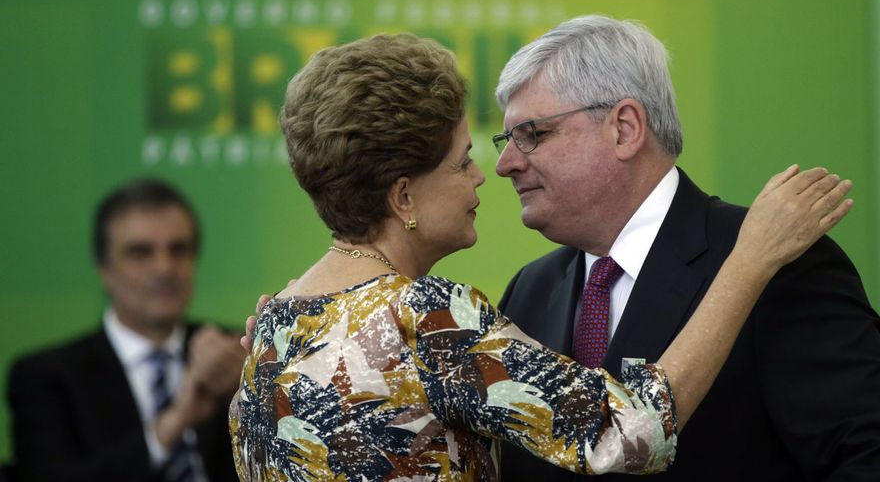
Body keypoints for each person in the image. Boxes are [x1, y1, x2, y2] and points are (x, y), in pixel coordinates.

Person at [228, 33, 851, 481]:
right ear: (403, 196)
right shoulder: (432, 317)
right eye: (462, 161)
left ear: (625, 128)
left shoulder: (276, 332)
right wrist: (748, 262)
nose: (490, 172)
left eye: (530, 135)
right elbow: (623, 432)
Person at [492, 15, 880, 481]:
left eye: (531, 135)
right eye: (507, 140)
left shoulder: (777, 257)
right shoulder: (529, 291)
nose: (504, 164)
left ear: (624, 129)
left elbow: (864, 454)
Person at [7, 179, 244, 482]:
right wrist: (172, 425)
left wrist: (252, 395)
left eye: (178, 250)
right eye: (140, 253)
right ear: (103, 267)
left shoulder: (236, 355)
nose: (164, 268)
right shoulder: (46, 377)